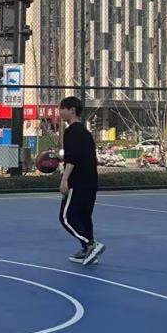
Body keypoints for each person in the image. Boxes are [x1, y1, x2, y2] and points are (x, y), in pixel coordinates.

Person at [58, 96, 104, 265]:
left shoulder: (71, 131)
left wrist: (64, 180)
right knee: (84, 218)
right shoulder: (85, 132)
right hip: (91, 181)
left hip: (77, 182)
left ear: (72, 110)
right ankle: (89, 252)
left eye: (62, 108)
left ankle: (91, 245)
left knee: (66, 217)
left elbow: (73, 158)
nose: (60, 112)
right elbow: (87, 157)